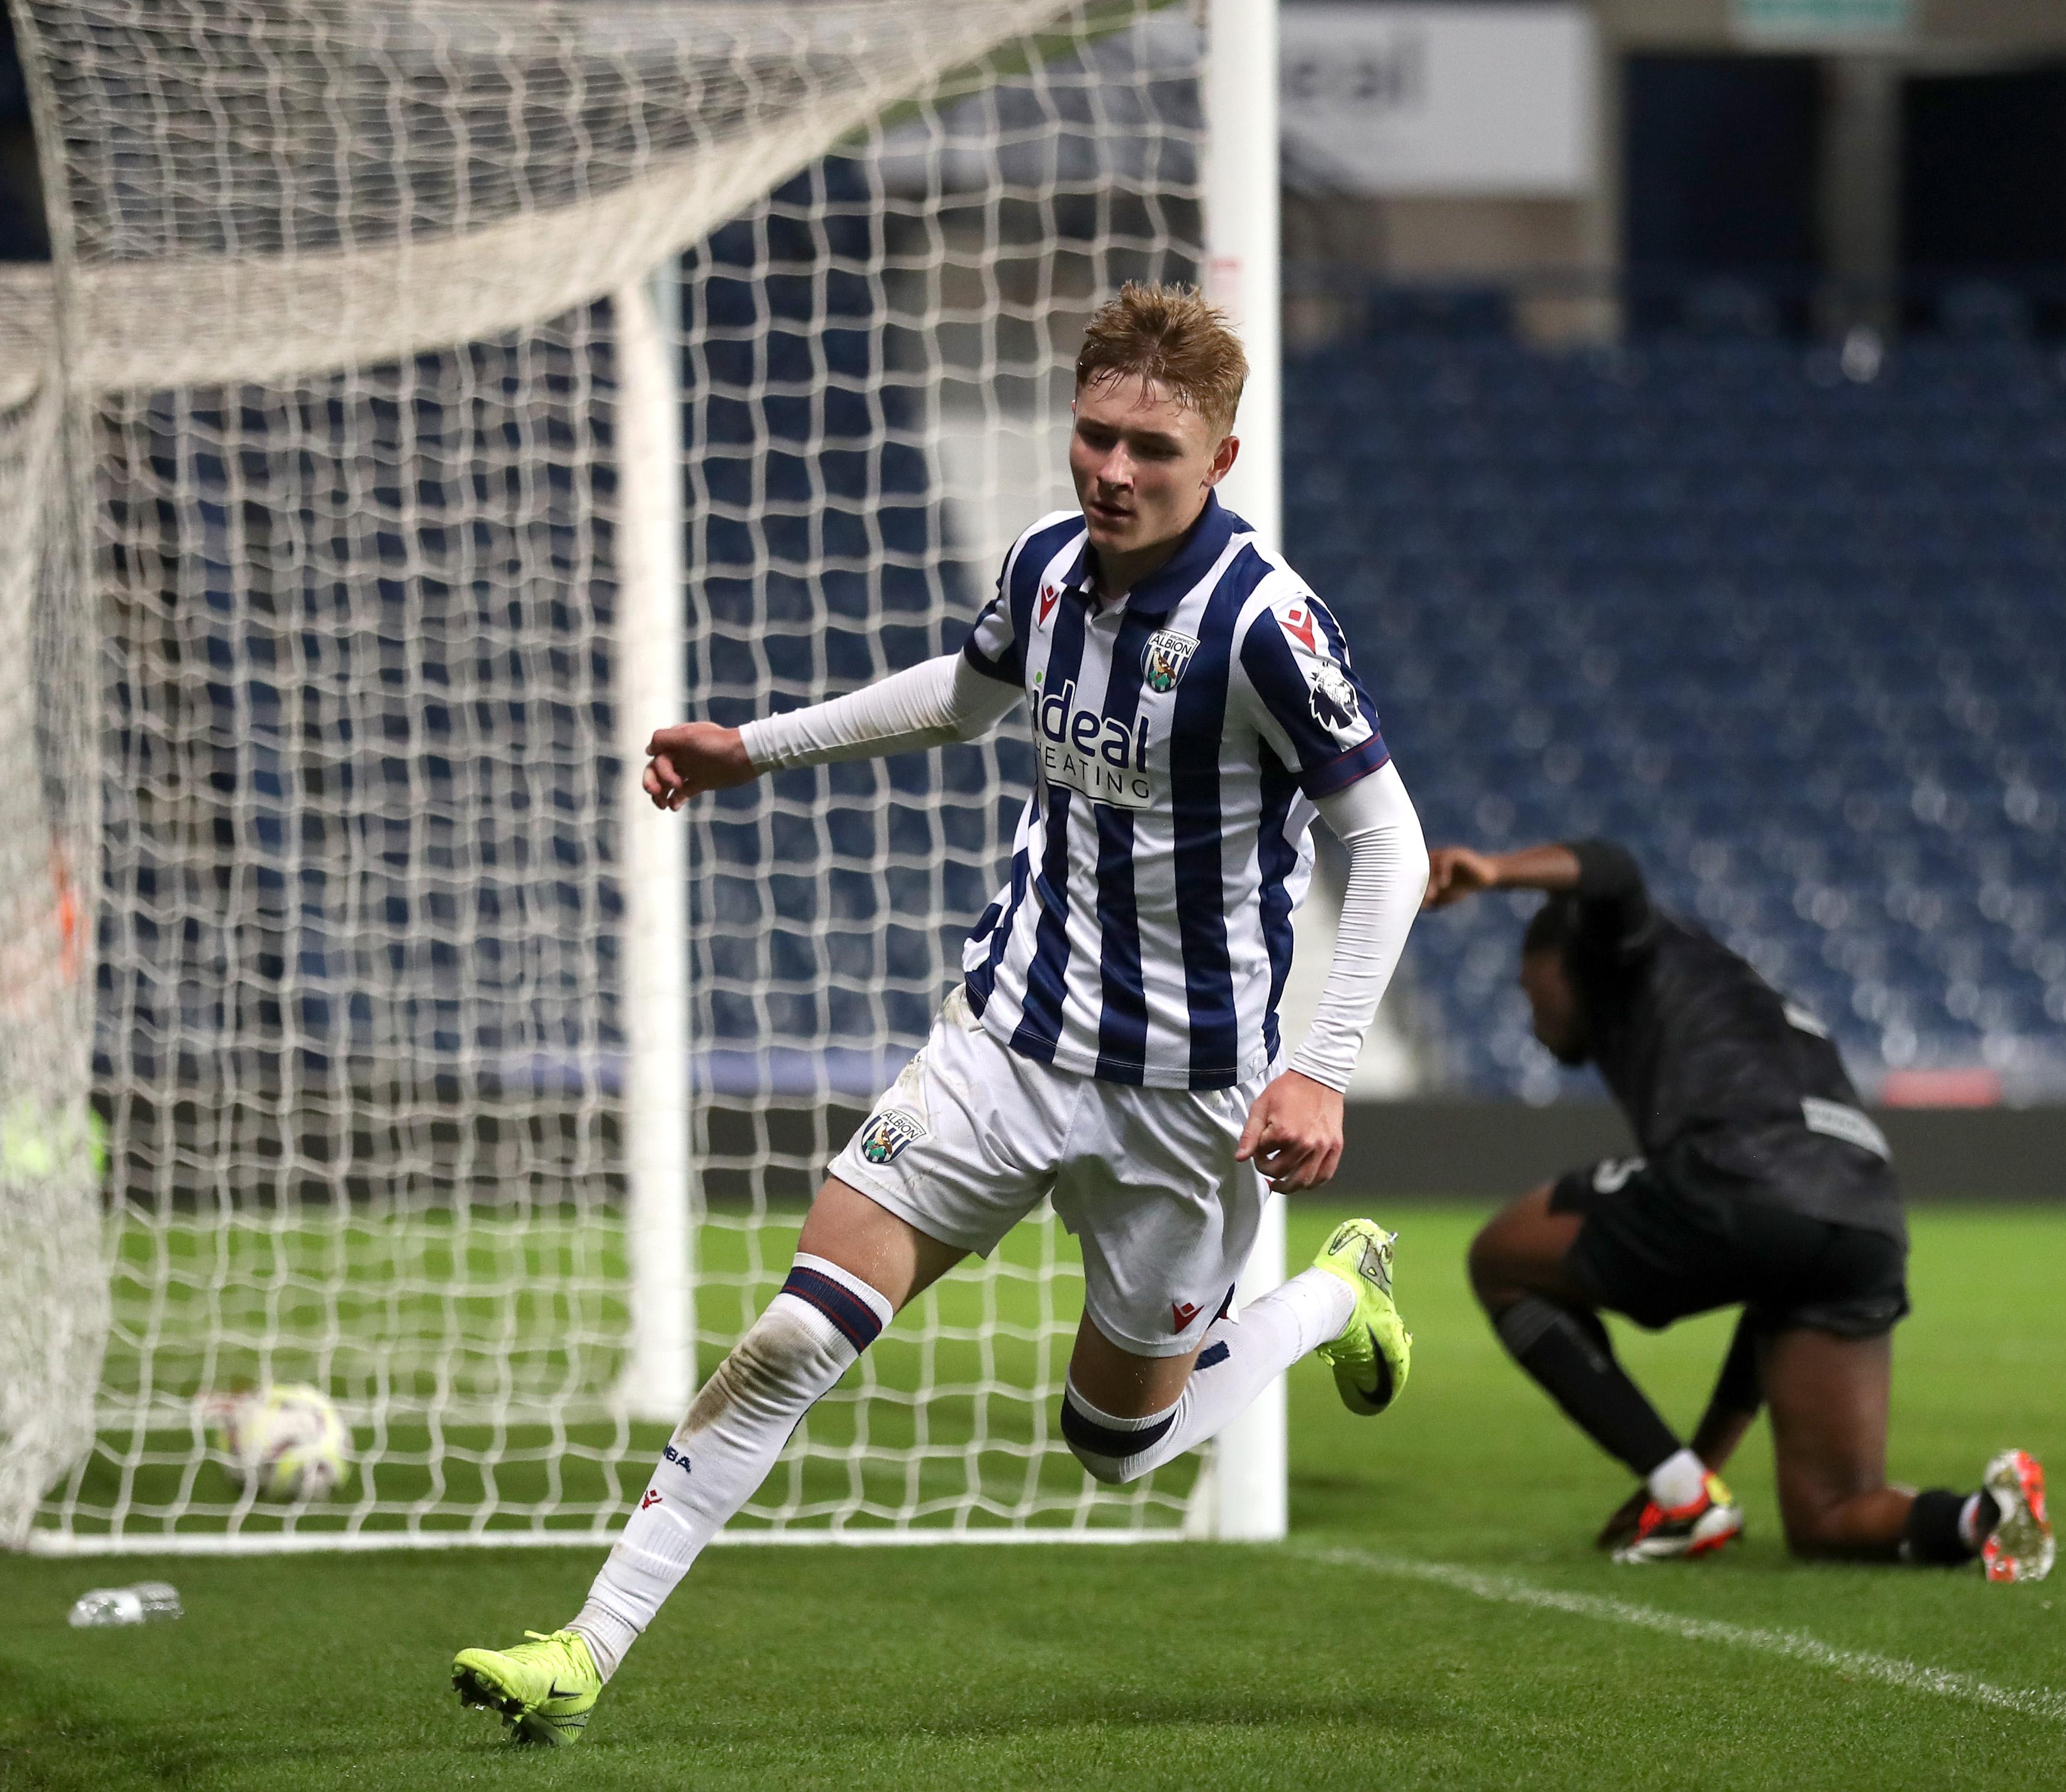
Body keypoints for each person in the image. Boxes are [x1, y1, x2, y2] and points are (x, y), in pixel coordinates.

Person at [450, 283, 1427, 1745]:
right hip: (1001, 1042)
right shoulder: (1044, 567)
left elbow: (1390, 844)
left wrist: (1320, 1071)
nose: (1111, 470)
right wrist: (751, 749)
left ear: (1217, 459)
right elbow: (966, 695)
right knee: (795, 1332)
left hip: (1186, 1096)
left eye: (1149, 450)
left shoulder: (1264, 624)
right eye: (1093, 435)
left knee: (1112, 1446)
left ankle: (1332, 1295)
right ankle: (583, 1647)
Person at [1421, 836, 2052, 1579]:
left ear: (1562, 962)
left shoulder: (1618, 947)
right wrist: (1699, 1467)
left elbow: (1613, 870)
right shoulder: (1744, 997)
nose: (1534, 1018)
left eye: (1532, 992)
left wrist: (1494, 873)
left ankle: (1682, 1498)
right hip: (1864, 1213)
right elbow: (1772, 1265)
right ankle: (1990, 1516)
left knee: (1502, 1259)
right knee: (1831, 1515)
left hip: (1740, 1172)